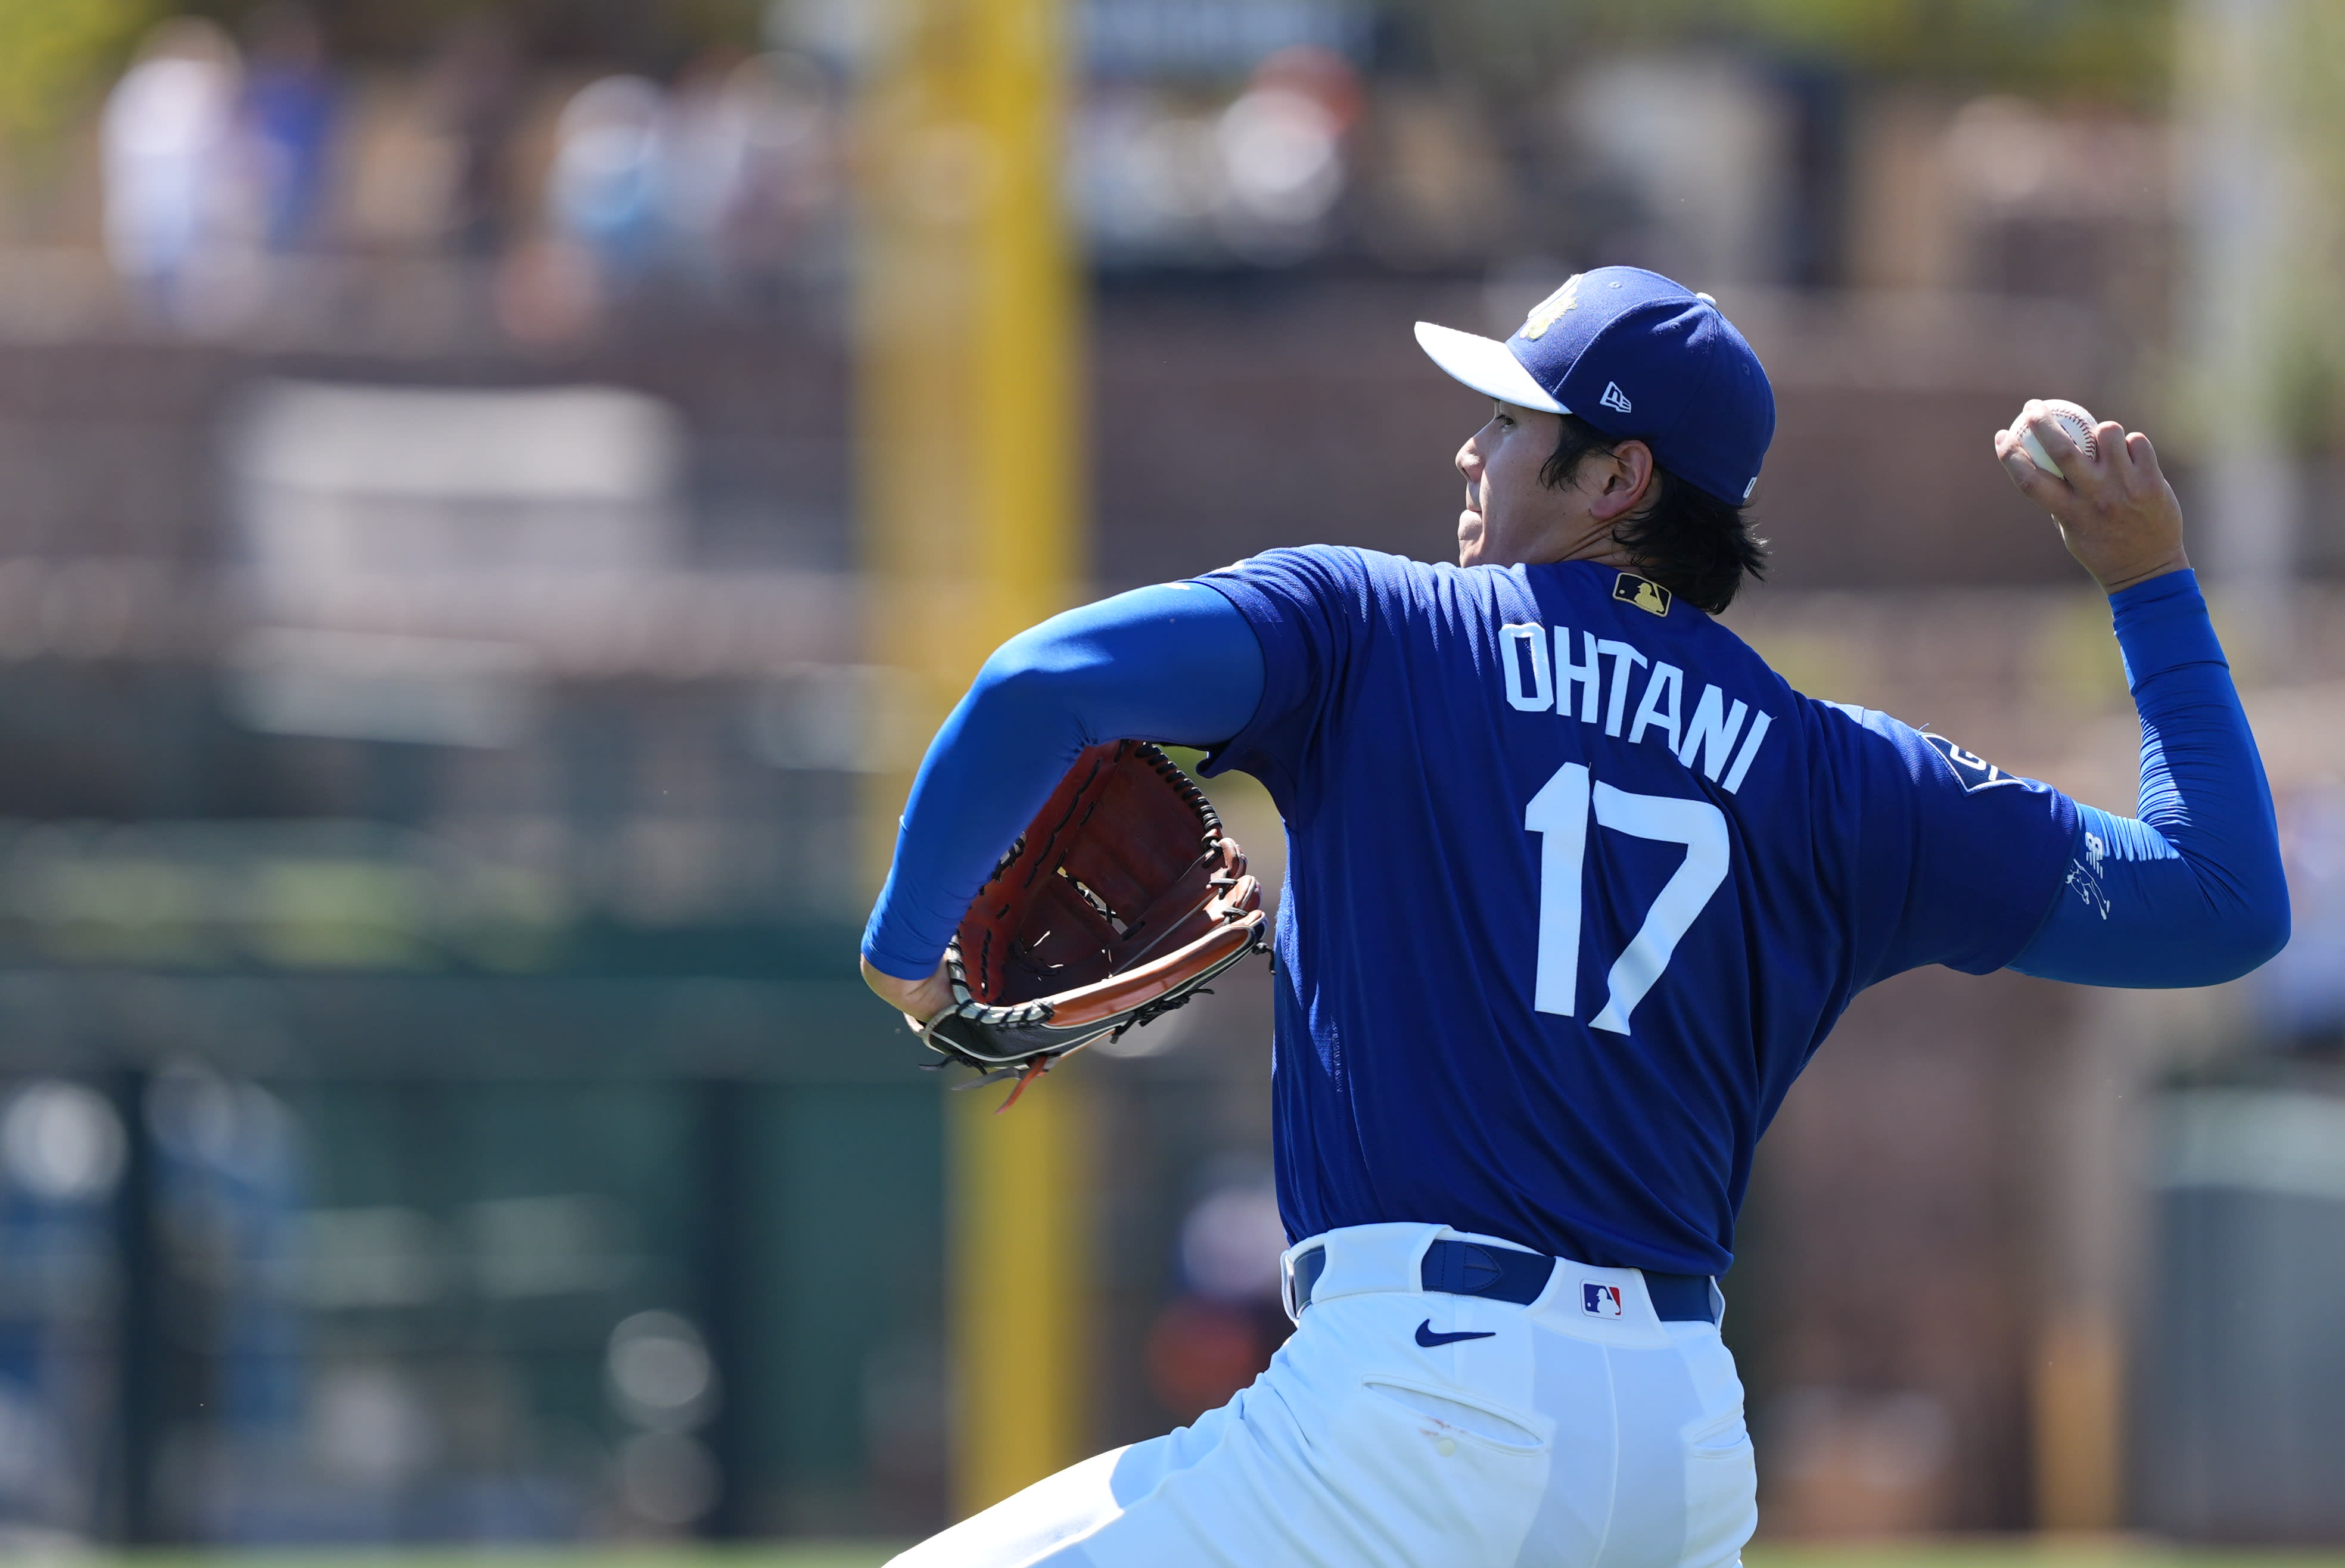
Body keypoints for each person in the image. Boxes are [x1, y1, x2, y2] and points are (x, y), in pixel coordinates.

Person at [859, 266, 2289, 1567]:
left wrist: (906, 956)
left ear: (1618, 475)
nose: (1468, 450)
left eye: (1508, 420)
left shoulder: (1380, 632)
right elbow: (2218, 906)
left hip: (1419, 1406)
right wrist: (2150, 582)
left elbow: (1039, 683)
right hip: (1676, 1443)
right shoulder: (1843, 773)